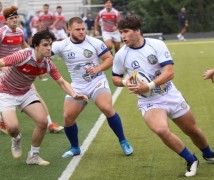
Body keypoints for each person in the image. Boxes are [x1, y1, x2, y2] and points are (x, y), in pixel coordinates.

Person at [112, 15, 214, 177]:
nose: (122, 36)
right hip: (149, 101)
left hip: (170, 95)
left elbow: (170, 72)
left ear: (137, 31)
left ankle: (208, 154)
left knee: (192, 130)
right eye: (120, 32)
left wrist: (149, 85)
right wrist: (125, 82)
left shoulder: (156, 45)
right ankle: (191, 159)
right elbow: (115, 78)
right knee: (160, 129)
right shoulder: (121, 55)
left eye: (125, 32)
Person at [0, 28, 88, 165]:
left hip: (25, 92)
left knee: (42, 122)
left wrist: (74, 94)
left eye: (50, 45)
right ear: (36, 46)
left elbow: (62, 82)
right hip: (6, 92)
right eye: (45, 45)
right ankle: (16, 138)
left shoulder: (48, 63)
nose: (49, 48)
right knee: (12, 128)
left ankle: (33, 156)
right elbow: (2, 62)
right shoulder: (23, 55)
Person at [51, 17, 133, 158]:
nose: (82, 32)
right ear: (68, 29)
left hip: (97, 82)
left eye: (83, 29)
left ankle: (123, 141)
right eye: (78, 29)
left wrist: (97, 69)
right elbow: (42, 53)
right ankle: (75, 148)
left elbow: (109, 59)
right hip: (77, 85)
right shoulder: (61, 45)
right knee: (67, 118)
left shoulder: (94, 42)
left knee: (106, 108)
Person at [0, 6, 64, 134]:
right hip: (3, 67)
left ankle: (49, 123)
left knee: (35, 94)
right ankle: (3, 121)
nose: (14, 20)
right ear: (6, 21)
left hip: (18, 67)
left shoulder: (20, 31)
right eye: (11, 18)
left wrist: (37, 61)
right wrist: (4, 66)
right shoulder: (2, 33)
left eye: (16, 17)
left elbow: (25, 46)